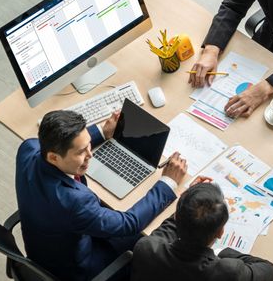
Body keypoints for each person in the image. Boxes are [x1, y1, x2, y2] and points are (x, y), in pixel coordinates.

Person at [15, 110, 187, 281]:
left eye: (88, 145)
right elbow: (129, 223)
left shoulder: (28, 148)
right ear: (54, 157)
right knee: (150, 238)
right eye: (81, 152)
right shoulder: (74, 202)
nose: (91, 154)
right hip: (76, 269)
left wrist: (101, 133)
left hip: (44, 246)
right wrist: (167, 183)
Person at [130, 181, 273, 281]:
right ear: (220, 233)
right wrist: (222, 252)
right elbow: (270, 270)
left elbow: (168, 230)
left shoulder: (147, 247)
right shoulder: (228, 272)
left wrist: (189, 202)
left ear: (177, 216)